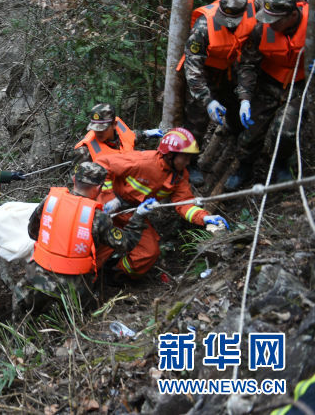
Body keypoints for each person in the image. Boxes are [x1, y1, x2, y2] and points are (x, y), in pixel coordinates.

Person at [12, 162, 145, 319]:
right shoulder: (97, 217)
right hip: (74, 282)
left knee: (23, 307)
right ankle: (71, 335)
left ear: (74, 180)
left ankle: (23, 334)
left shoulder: (51, 200)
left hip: (39, 273)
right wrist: (139, 217)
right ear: (98, 188)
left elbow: (33, 231)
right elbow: (125, 244)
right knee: (80, 318)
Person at [95, 128, 229, 278]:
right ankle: (89, 275)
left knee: (148, 252)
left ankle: (114, 274)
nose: (187, 162)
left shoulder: (179, 176)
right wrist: (108, 197)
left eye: (189, 158)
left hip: (134, 215)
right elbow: (101, 165)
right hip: (109, 208)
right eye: (184, 157)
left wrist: (204, 217)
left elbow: (184, 204)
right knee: (96, 247)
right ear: (170, 154)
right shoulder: (143, 162)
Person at [227, 0, 310, 190]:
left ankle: (281, 164)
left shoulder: (312, 24)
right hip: (268, 82)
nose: (270, 23)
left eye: (276, 20)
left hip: (299, 84)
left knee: (286, 131)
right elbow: (247, 64)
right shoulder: (260, 30)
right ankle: (244, 167)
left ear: (292, 15)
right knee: (251, 131)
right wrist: (245, 98)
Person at [176, 0, 259, 185]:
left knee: (237, 105)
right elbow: (193, 67)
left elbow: (276, 3)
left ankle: (236, 131)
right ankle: (191, 162)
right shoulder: (203, 26)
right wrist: (207, 100)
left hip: (232, 66)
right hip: (205, 71)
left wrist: (245, 99)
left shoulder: (254, 6)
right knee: (197, 119)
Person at [72, 104, 162, 171]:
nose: (98, 132)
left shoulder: (120, 131)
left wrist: (146, 133)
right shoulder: (84, 150)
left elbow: (131, 137)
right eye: (95, 129)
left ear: (114, 125)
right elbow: (75, 183)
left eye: (103, 129)